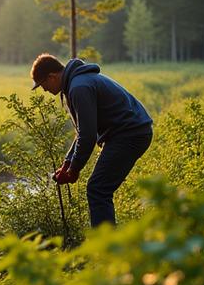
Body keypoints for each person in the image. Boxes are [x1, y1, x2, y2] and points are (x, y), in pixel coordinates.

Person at [30, 53, 153, 227]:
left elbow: (88, 136)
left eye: (43, 85)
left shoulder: (79, 87)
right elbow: (83, 132)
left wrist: (74, 169)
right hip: (128, 133)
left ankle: (105, 248)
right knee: (99, 188)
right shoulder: (77, 83)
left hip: (130, 134)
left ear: (52, 76)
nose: (44, 90)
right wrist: (68, 162)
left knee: (98, 189)